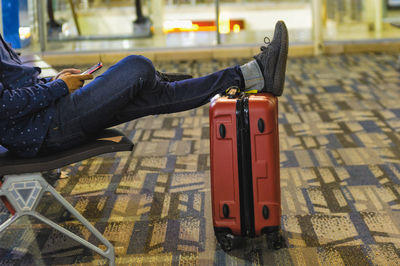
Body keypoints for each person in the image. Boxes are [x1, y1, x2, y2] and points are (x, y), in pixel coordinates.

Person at [0, 21, 288, 158]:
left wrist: (53, 84)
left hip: (48, 116)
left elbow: (15, 87)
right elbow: (5, 107)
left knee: (154, 90)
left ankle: (252, 75)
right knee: (137, 66)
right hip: (47, 127)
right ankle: (154, 79)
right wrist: (58, 88)